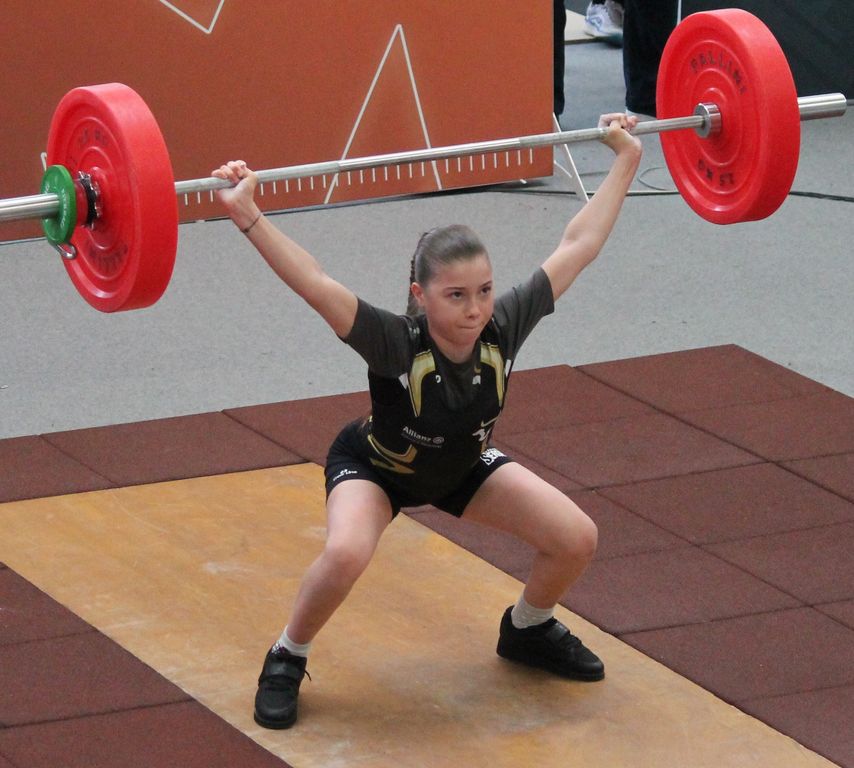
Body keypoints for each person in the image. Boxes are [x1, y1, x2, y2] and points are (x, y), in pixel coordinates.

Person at [212, 112, 642, 730]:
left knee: (576, 538)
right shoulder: (393, 343)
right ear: (420, 295)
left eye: (484, 291)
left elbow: (579, 245)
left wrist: (626, 159)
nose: (476, 309)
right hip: (377, 469)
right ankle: (287, 655)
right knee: (346, 553)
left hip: (462, 467)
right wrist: (247, 214)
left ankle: (527, 628)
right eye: (456, 295)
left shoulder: (502, 327)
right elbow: (314, 282)